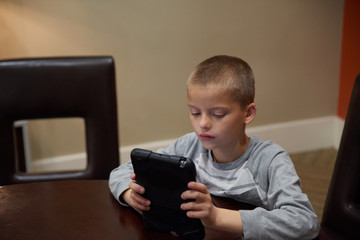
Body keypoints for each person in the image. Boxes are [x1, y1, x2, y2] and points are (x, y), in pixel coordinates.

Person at [109, 55, 320, 239]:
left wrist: (217, 216)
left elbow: (304, 221)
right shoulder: (189, 145)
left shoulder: (270, 160)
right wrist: (130, 194)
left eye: (218, 114)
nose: (203, 124)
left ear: (248, 114)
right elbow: (120, 172)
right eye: (195, 112)